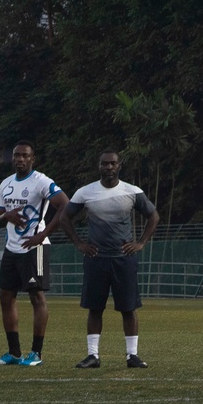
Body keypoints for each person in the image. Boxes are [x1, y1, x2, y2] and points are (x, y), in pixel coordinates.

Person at [58, 149, 159, 369]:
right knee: (95, 308)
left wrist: (141, 243)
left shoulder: (132, 192)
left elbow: (153, 215)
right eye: (105, 164)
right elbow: (65, 217)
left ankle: (132, 356)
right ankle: (92, 355)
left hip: (124, 258)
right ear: (99, 166)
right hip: (97, 258)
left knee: (128, 308)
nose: (109, 167)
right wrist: (79, 243)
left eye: (113, 163)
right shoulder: (85, 192)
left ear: (119, 165)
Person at [0, 140, 70, 366]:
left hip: (35, 248)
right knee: (6, 297)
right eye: (16, 155)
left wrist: (42, 236)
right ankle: (14, 353)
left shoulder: (41, 181)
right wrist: (6, 217)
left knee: (36, 297)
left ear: (33, 159)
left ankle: (36, 353)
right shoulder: (5, 184)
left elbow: (65, 204)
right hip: (11, 248)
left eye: (25, 155)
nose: (20, 159)